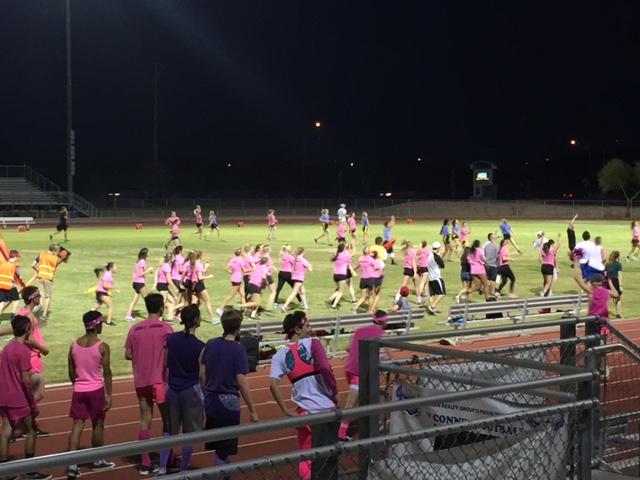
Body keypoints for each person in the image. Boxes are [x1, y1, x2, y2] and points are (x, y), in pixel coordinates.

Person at [269, 311, 337, 480]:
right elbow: (326, 369)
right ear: (297, 329)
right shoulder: (313, 343)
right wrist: (335, 393)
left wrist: (285, 410)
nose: (311, 329)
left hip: (305, 413)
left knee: (307, 457)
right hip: (326, 409)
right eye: (307, 326)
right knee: (329, 456)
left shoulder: (279, 356)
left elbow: (272, 384)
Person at [200, 309, 258, 469]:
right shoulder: (238, 349)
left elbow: (202, 374)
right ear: (238, 328)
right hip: (229, 404)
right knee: (223, 450)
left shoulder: (210, 344)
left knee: (219, 448)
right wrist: (253, 410)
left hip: (211, 401)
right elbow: (241, 381)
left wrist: (208, 392)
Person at [124, 294, 174, 475]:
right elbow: (171, 355)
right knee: (168, 420)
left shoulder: (135, 329)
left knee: (145, 420)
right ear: (161, 308)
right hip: (159, 380)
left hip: (141, 380)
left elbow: (128, 354)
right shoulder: (166, 328)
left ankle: (145, 463)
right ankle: (167, 460)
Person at [0, 315, 51, 480]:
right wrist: (32, 402)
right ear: (28, 329)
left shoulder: (7, 348)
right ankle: (30, 470)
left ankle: (4, 471)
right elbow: (26, 380)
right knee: (31, 431)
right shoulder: (23, 351)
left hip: (3, 396)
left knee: (6, 431)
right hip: (18, 397)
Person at [66, 311, 115, 479]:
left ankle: (72, 464)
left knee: (77, 426)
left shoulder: (74, 345)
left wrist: (77, 384)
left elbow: (71, 371)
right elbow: (107, 373)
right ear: (97, 325)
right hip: (96, 390)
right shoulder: (102, 346)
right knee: (97, 425)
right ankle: (97, 460)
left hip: (79, 390)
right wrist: (109, 395)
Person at [165, 305, 205, 473]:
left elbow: (166, 362)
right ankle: (183, 468)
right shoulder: (200, 346)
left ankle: (162, 466)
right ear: (196, 320)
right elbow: (202, 374)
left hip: (173, 388)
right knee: (190, 432)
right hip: (190, 390)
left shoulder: (171, 338)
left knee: (169, 431)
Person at [338, 310, 387, 441]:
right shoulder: (381, 333)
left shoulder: (360, 330)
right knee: (351, 403)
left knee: (368, 398)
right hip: (359, 371)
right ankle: (341, 433)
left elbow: (348, 348)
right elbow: (388, 355)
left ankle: (373, 424)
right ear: (384, 322)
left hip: (350, 368)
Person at [17, 286, 49, 436]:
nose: (40, 297)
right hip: (32, 358)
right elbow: (28, 339)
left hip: (25, 358)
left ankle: (30, 425)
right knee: (38, 393)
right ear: (33, 298)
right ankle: (20, 422)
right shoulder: (28, 315)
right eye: (38, 295)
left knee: (28, 394)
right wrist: (43, 349)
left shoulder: (21, 312)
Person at [31, 244, 62, 317]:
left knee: (39, 295)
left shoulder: (41, 255)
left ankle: (38, 309)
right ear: (54, 250)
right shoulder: (55, 258)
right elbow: (57, 264)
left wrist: (38, 271)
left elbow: (33, 265)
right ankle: (44, 314)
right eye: (56, 251)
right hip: (48, 278)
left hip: (40, 277)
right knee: (48, 296)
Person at [125, 248, 153, 322]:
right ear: (145, 254)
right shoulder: (142, 262)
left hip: (136, 282)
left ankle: (128, 315)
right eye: (148, 252)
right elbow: (140, 273)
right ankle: (151, 317)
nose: (150, 253)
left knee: (135, 300)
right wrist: (148, 270)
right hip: (139, 283)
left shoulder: (139, 261)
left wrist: (147, 272)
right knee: (148, 300)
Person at [282, 248, 312, 313]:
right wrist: (309, 267)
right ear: (303, 252)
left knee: (302, 291)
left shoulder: (295, 258)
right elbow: (309, 269)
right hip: (299, 278)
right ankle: (284, 306)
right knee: (294, 292)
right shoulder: (302, 260)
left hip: (294, 277)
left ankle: (306, 306)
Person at [328, 242, 355, 309]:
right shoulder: (347, 255)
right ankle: (333, 306)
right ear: (344, 248)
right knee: (340, 292)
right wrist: (353, 272)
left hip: (335, 275)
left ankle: (331, 298)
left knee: (338, 289)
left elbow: (333, 257)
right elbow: (349, 263)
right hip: (342, 275)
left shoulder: (337, 254)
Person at [218, 248, 245, 315]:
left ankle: (244, 308)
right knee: (231, 295)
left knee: (242, 294)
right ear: (241, 253)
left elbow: (226, 268)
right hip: (237, 279)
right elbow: (244, 270)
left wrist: (231, 272)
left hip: (234, 278)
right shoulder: (241, 260)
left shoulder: (233, 259)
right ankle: (220, 308)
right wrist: (253, 269)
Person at [0, 249, 23, 316]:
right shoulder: (16, 265)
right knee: (16, 299)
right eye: (17, 257)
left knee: (1, 301)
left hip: (0, 284)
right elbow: (19, 276)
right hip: (9, 285)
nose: (17, 259)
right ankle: (13, 315)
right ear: (15, 257)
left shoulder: (2, 263)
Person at [426, 242, 446, 315]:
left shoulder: (429, 255)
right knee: (442, 293)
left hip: (430, 277)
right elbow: (442, 265)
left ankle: (431, 308)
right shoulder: (437, 257)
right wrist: (440, 255)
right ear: (438, 249)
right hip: (436, 277)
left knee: (432, 294)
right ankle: (432, 306)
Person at [155, 253, 176, 322]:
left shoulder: (164, 265)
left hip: (161, 285)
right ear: (170, 259)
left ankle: (169, 317)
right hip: (163, 286)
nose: (174, 258)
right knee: (162, 303)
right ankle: (159, 320)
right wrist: (175, 288)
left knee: (172, 301)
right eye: (173, 257)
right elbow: (169, 280)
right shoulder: (167, 266)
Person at [605, 251, 623, 319]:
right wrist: (620, 285)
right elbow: (619, 275)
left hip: (608, 281)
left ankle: (605, 313)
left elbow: (605, 273)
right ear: (617, 256)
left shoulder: (607, 264)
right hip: (615, 281)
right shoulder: (619, 264)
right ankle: (618, 314)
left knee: (607, 298)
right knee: (617, 298)